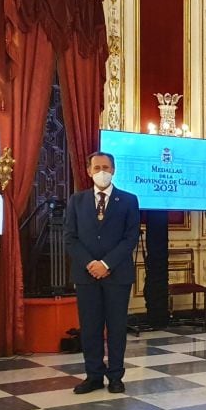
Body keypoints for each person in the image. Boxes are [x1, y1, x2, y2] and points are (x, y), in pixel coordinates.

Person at [64, 151, 141, 395]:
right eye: (96, 168)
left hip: (117, 275)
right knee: (90, 328)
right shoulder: (76, 201)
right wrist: (91, 264)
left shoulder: (128, 200)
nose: (101, 172)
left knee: (117, 328)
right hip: (86, 276)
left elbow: (130, 237)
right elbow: (70, 238)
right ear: (88, 171)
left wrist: (106, 264)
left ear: (114, 170)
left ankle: (116, 376)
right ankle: (93, 375)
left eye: (106, 167)